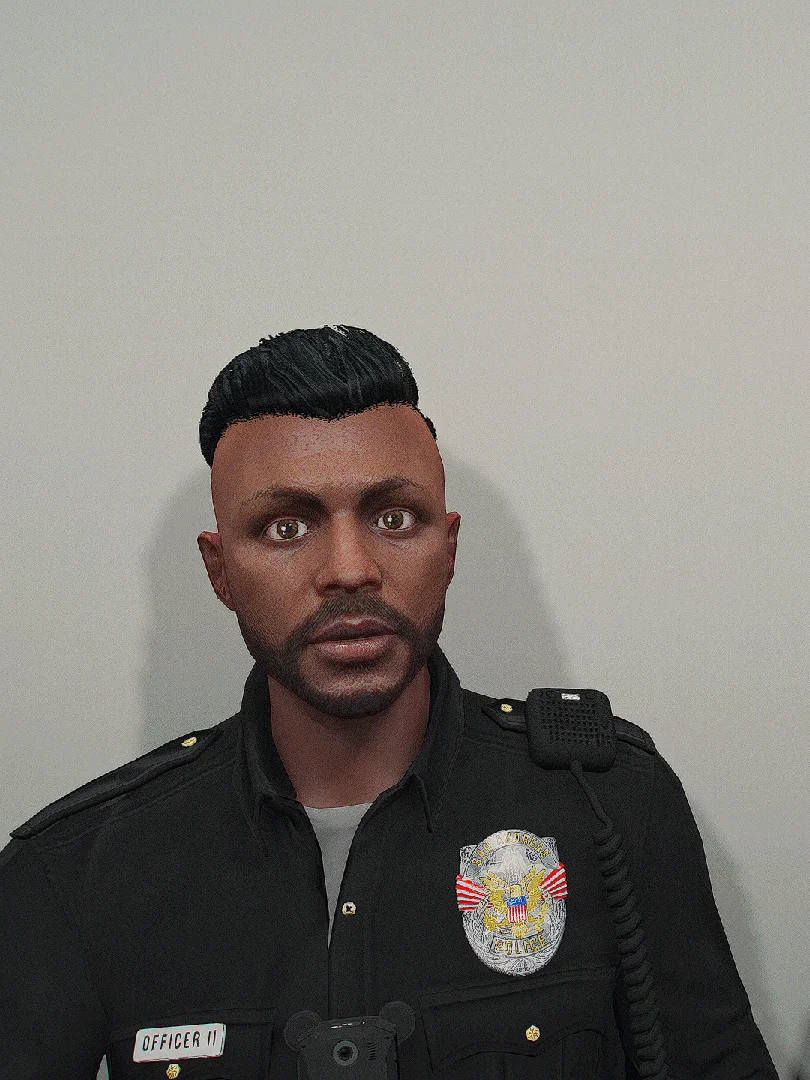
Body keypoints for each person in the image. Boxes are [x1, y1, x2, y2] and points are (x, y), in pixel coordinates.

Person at [0, 325, 777, 1079]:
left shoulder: (606, 803)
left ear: (449, 546)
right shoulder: (76, 870)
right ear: (220, 570)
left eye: (393, 518)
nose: (349, 569)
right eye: (286, 526)